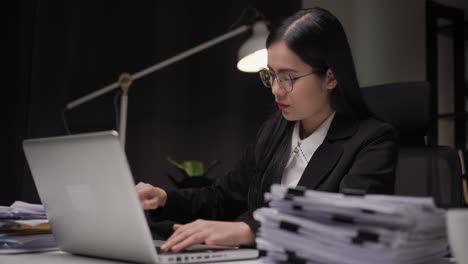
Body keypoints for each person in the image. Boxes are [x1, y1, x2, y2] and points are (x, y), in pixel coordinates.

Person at [136, 7, 398, 253]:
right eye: (271, 75)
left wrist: (249, 230)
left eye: (288, 78)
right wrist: (164, 199)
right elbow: (225, 199)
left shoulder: (372, 140)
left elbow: (348, 224)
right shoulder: (275, 131)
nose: (275, 90)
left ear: (330, 77)